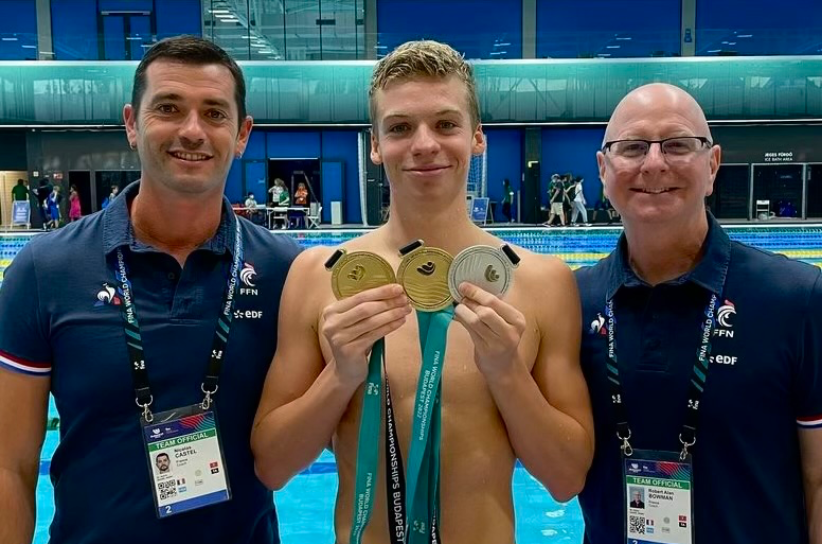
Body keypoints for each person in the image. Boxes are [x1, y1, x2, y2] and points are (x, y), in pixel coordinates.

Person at [251, 40, 594, 544]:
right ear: (375, 144)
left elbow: (566, 480)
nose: (424, 144)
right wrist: (340, 375)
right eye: (400, 128)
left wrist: (507, 372)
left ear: (477, 137)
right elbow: (273, 467)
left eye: (446, 124)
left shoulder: (543, 282)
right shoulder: (317, 275)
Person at [0, 36, 300, 544]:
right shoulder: (44, 270)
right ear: (132, 124)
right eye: (168, 108)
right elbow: (9, 465)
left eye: (214, 113)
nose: (192, 131)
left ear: (242, 134)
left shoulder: (287, 272)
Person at [576, 83, 822, 544]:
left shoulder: (798, 299)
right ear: (603, 168)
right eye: (632, 147)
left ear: (712, 165)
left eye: (677, 145)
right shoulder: (576, 300)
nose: (654, 163)